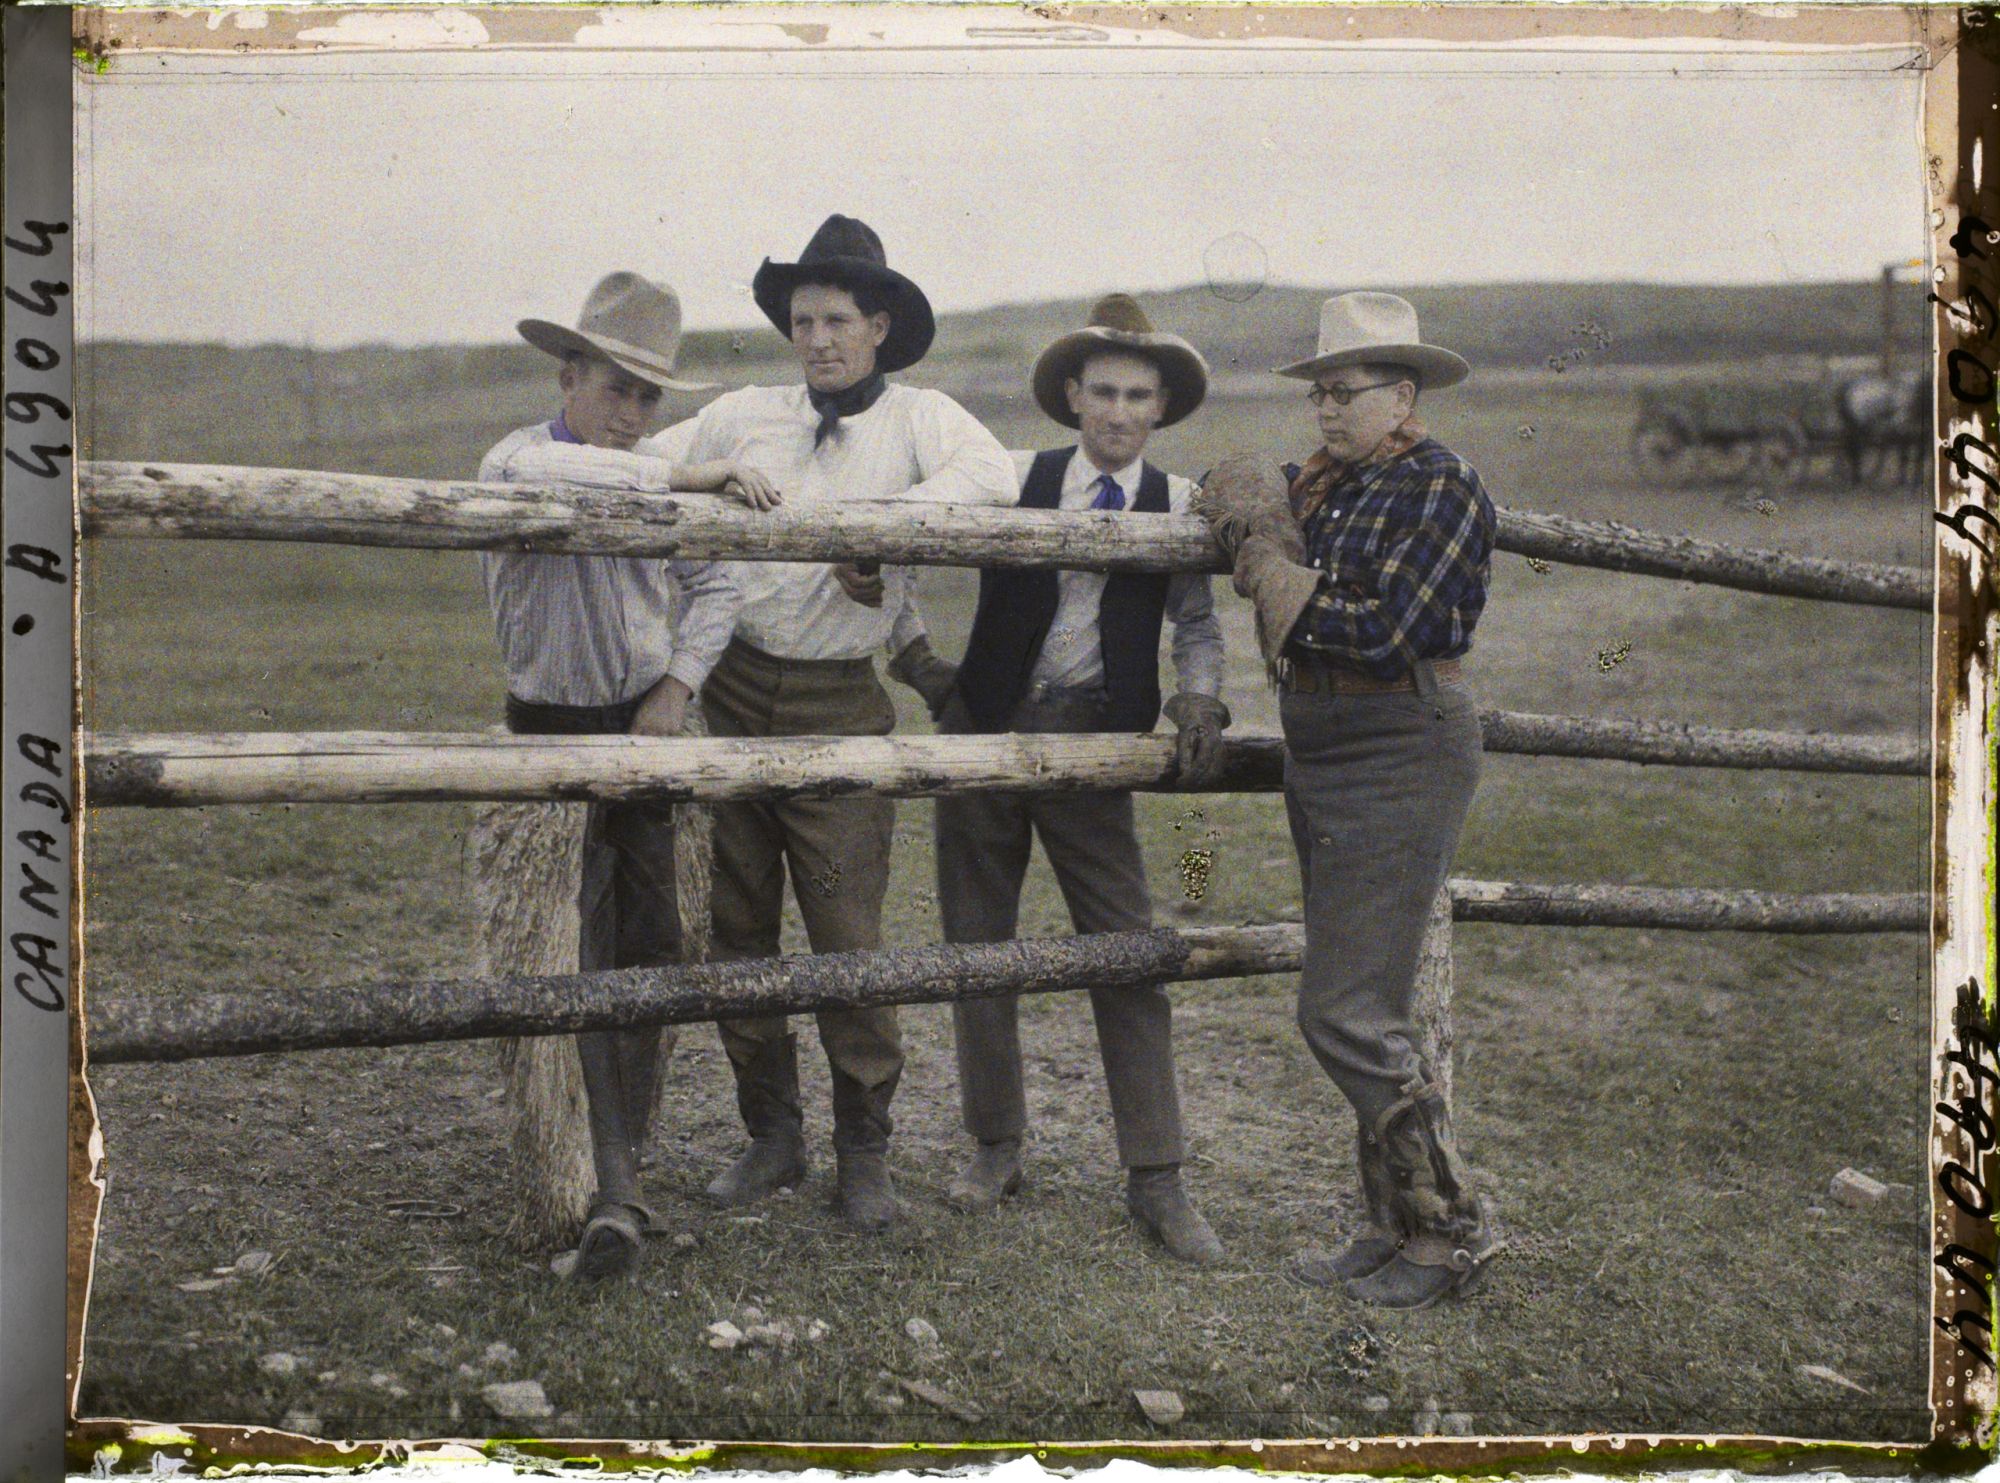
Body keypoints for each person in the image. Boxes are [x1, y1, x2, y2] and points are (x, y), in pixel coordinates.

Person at [672, 215, 1017, 1232]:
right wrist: (702, 476)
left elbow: (989, 479)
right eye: (802, 321)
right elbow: (644, 466)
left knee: (847, 935)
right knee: (736, 925)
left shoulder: (920, 418)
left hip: (839, 702)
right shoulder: (743, 412)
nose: (817, 340)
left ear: (878, 327)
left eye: (836, 321)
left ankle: (864, 1148)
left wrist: (880, 533)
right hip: (733, 694)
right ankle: (772, 1134)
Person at [890, 294, 1231, 1264]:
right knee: (975, 945)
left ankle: (1156, 1175)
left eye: (1137, 396)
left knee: (1126, 951)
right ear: (1073, 397)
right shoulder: (1010, 477)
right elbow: (893, 536)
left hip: (1095, 748)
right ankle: (994, 1145)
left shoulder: (1177, 502)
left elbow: (1197, 622)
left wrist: (1198, 699)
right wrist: (917, 660)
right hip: (984, 735)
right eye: (1103, 392)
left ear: (1160, 408)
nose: (1118, 411)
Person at [1194, 291, 1501, 1309]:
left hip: (1396, 740)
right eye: (1318, 392)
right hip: (1323, 745)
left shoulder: (1440, 483)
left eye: (1346, 391)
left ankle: (1449, 1230)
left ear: (1401, 396)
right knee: (1362, 999)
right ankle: (1389, 1223)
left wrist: (1276, 576)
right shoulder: (1324, 485)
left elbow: (1384, 632)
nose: (1326, 408)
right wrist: (1254, 520)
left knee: (1342, 1011)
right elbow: (1232, 490)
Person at [479, 270, 780, 1280]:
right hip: (549, 740)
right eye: (617, 387)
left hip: (644, 738)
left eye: (649, 396)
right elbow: (548, 478)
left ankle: (621, 1176)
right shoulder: (516, 459)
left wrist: (678, 683)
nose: (632, 413)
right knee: (560, 960)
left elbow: (718, 579)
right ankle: (577, 1182)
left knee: (649, 951)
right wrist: (691, 475)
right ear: (568, 375)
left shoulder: (655, 474)